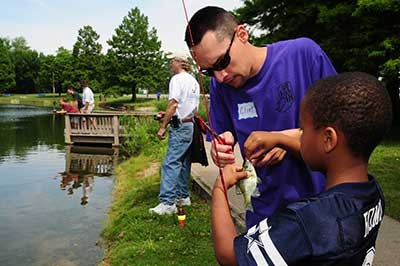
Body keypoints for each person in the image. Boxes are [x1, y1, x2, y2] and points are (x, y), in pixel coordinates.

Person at [211, 72, 392, 265]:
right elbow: (329, 165)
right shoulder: (371, 194)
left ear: (328, 139)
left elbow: (229, 256)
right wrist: (280, 139)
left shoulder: (307, 221)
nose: (300, 135)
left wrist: (220, 190)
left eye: (302, 129)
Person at [185, 6, 337, 228]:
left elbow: (344, 128)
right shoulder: (219, 87)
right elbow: (222, 137)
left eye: (222, 62)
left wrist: (288, 139)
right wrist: (219, 150)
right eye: (209, 71)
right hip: (264, 217)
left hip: (321, 211)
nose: (220, 76)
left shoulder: (304, 54)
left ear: (242, 34)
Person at [149, 52, 200, 215]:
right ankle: (183, 197)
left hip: (180, 127)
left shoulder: (176, 79)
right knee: (184, 162)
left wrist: (163, 125)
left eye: (171, 61)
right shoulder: (193, 81)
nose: (170, 64)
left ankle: (167, 203)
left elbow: (174, 103)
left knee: (170, 163)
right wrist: (170, 115)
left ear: (180, 62)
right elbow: (188, 107)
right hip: (190, 124)